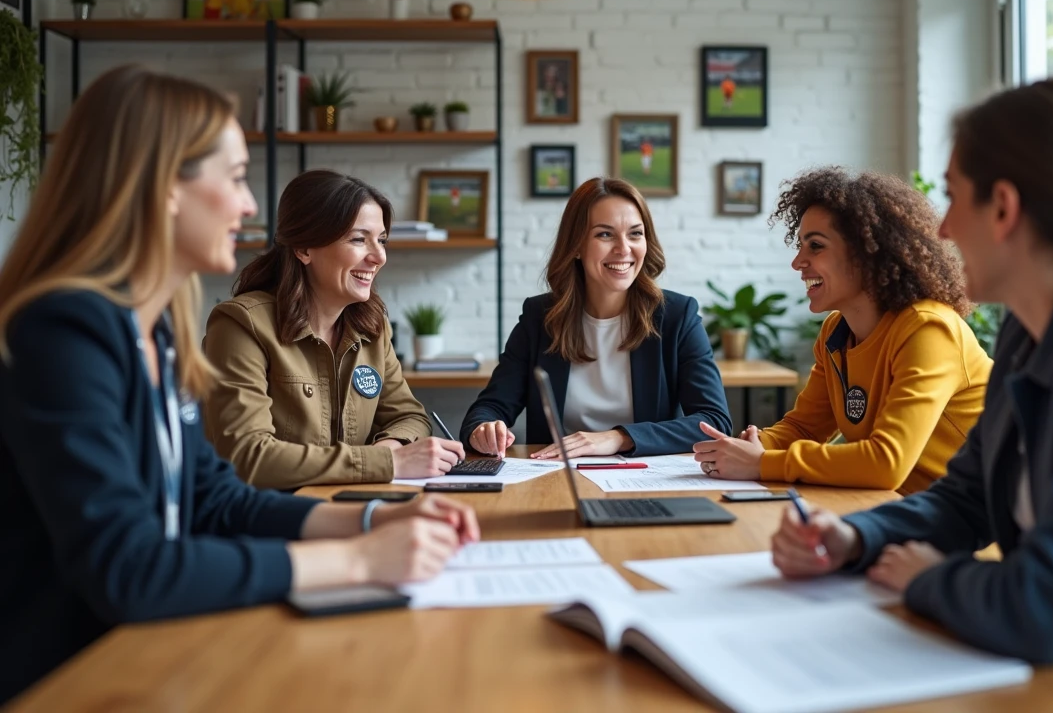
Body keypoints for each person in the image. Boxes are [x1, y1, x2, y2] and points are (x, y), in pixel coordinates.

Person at [0, 65, 479, 704]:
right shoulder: (63, 334)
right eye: (233, 178)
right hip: (76, 679)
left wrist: (375, 517)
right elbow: (129, 567)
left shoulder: (154, 332)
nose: (250, 205)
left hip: (154, 651)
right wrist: (361, 559)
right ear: (164, 186)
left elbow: (217, 501)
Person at [770, 78, 1053, 710]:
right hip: (1047, 667)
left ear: (1003, 207)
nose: (942, 228)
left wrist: (932, 580)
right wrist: (855, 538)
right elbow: (966, 498)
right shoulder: (1031, 330)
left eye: (951, 196)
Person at [693, 168, 992, 494]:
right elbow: (803, 427)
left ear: (868, 253)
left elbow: (886, 463)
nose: (797, 262)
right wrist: (753, 445)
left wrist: (761, 463)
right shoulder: (836, 333)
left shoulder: (928, 329)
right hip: (900, 507)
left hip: (977, 518)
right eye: (801, 245)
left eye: (815, 246)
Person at [203, 169, 466, 489]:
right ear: (304, 249)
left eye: (381, 240)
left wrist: (389, 450)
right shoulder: (240, 325)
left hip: (351, 503)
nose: (379, 256)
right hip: (273, 512)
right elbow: (247, 456)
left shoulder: (373, 327)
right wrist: (388, 463)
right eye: (359, 239)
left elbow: (409, 417)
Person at [461, 177, 731, 458]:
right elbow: (489, 408)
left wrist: (619, 438)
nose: (624, 248)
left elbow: (714, 421)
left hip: (644, 475)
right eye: (605, 234)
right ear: (576, 245)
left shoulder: (677, 316)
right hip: (557, 474)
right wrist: (484, 430)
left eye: (635, 234)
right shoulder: (539, 317)